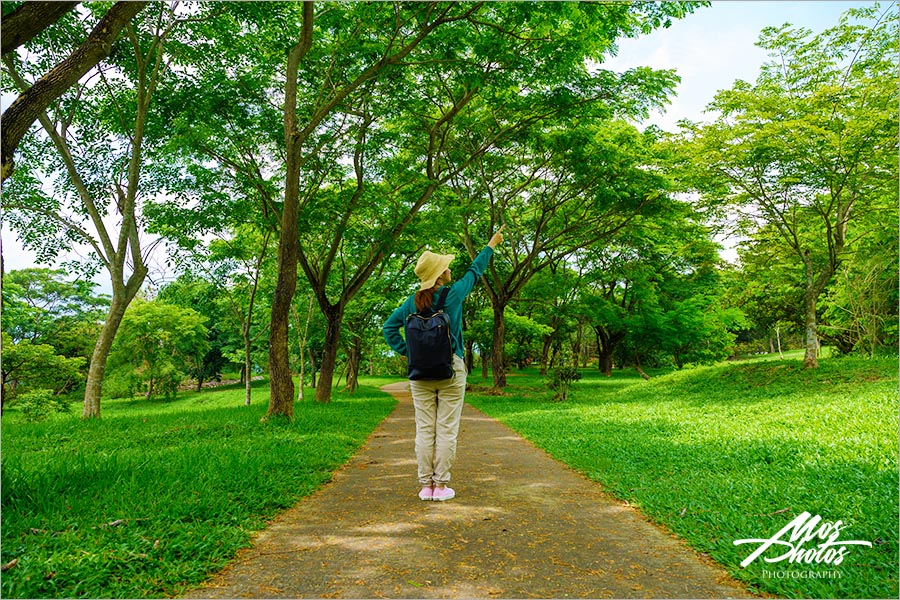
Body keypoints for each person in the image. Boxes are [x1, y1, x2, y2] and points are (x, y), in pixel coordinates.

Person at [383, 226, 505, 502]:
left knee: (425, 428)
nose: (449, 268)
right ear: (440, 274)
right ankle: (441, 486)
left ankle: (425, 486)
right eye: (445, 266)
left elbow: (389, 329)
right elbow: (475, 272)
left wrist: (408, 352)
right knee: (446, 428)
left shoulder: (410, 303)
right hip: (451, 369)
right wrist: (491, 245)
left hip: (419, 374)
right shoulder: (452, 295)